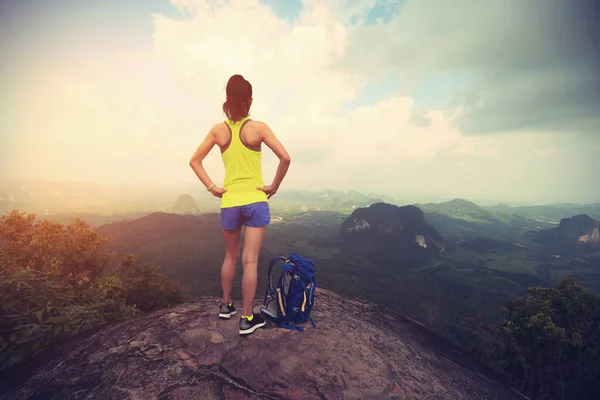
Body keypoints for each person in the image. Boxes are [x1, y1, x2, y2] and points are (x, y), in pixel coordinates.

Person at [189, 74, 291, 335]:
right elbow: (285, 158)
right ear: (250, 99)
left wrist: (213, 188)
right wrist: (273, 186)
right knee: (250, 261)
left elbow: (195, 161)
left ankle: (225, 307)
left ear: (227, 99)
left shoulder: (218, 130)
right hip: (256, 200)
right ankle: (247, 318)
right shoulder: (259, 128)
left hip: (230, 201)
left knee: (231, 256)